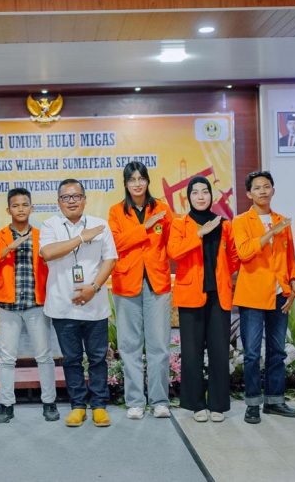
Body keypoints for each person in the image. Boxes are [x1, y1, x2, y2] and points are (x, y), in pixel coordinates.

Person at [40, 179, 117, 428]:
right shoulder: (50, 225)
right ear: (58, 202)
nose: (71, 201)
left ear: (84, 199)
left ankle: (99, 406)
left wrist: (93, 287)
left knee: (97, 358)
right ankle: (77, 406)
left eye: (76, 196)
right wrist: (82, 238)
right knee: (71, 359)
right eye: (66, 197)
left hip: (95, 304)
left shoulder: (100, 224)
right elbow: (48, 253)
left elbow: (110, 259)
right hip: (62, 305)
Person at [0, 188, 58, 423]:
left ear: (32, 208)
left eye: (25, 205)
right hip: (9, 306)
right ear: (8, 210)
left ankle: (49, 402)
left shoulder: (42, 235)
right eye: (16, 205)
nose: (21, 209)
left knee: (44, 356)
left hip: (36, 304)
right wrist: (7, 249)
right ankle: (6, 405)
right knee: (7, 358)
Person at [167, 176, 239, 423]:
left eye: (205, 191)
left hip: (219, 295)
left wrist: (223, 276)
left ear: (211, 195)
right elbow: (174, 252)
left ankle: (218, 405)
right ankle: (196, 404)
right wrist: (199, 233)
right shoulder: (180, 224)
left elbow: (233, 257)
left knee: (219, 351)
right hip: (190, 295)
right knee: (191, 352)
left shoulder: (224, 224)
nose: (200, 196)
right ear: (188, 197)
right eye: (195, 192)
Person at [232, 171, 295, 424]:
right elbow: (244, 253)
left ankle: (275, 401)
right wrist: (270, 233)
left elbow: (290, 258)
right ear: (249, 193)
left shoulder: (282, 220)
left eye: (267, 186)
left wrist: (293, 284)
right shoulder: (241, 221)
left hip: (280, 294)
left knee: (277, 351)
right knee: (251, 353)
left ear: (273, 190)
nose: (263, 191)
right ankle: (252, 404)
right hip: (252, 295)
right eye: (257, 187)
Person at [108, 161, 174, 420]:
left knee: (159, 345)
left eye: (141, 178)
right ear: (125, 184)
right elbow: (115, 243)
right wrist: (144, 228)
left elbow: (172, 243)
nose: (137, 184)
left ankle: (160, 401)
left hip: (157, 282)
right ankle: (135, 401)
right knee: (129, 345)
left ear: (148, 181)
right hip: (126, 283)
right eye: (132, 179)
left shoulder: (162, 209)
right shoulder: (116, 211)